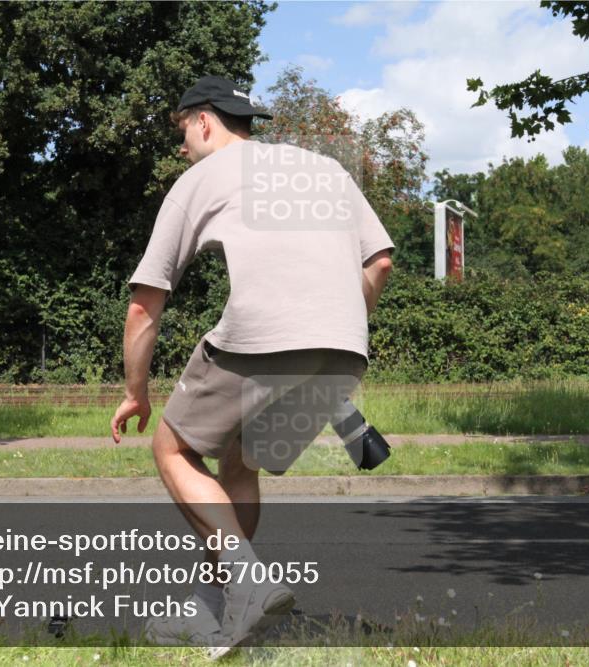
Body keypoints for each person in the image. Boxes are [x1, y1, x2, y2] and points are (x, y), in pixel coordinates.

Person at [110, 74, 394, 657]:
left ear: (204, 121)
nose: (184, 148)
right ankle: (221, 610)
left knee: (172, 449)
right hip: (346, 350)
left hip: (260, 342)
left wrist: (135, 392)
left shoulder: (203, 177)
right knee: (238, 462)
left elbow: (144, 304)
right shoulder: (324, 169)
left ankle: (249, 583)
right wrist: (330, 333)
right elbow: (381, 262)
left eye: (183, 134)